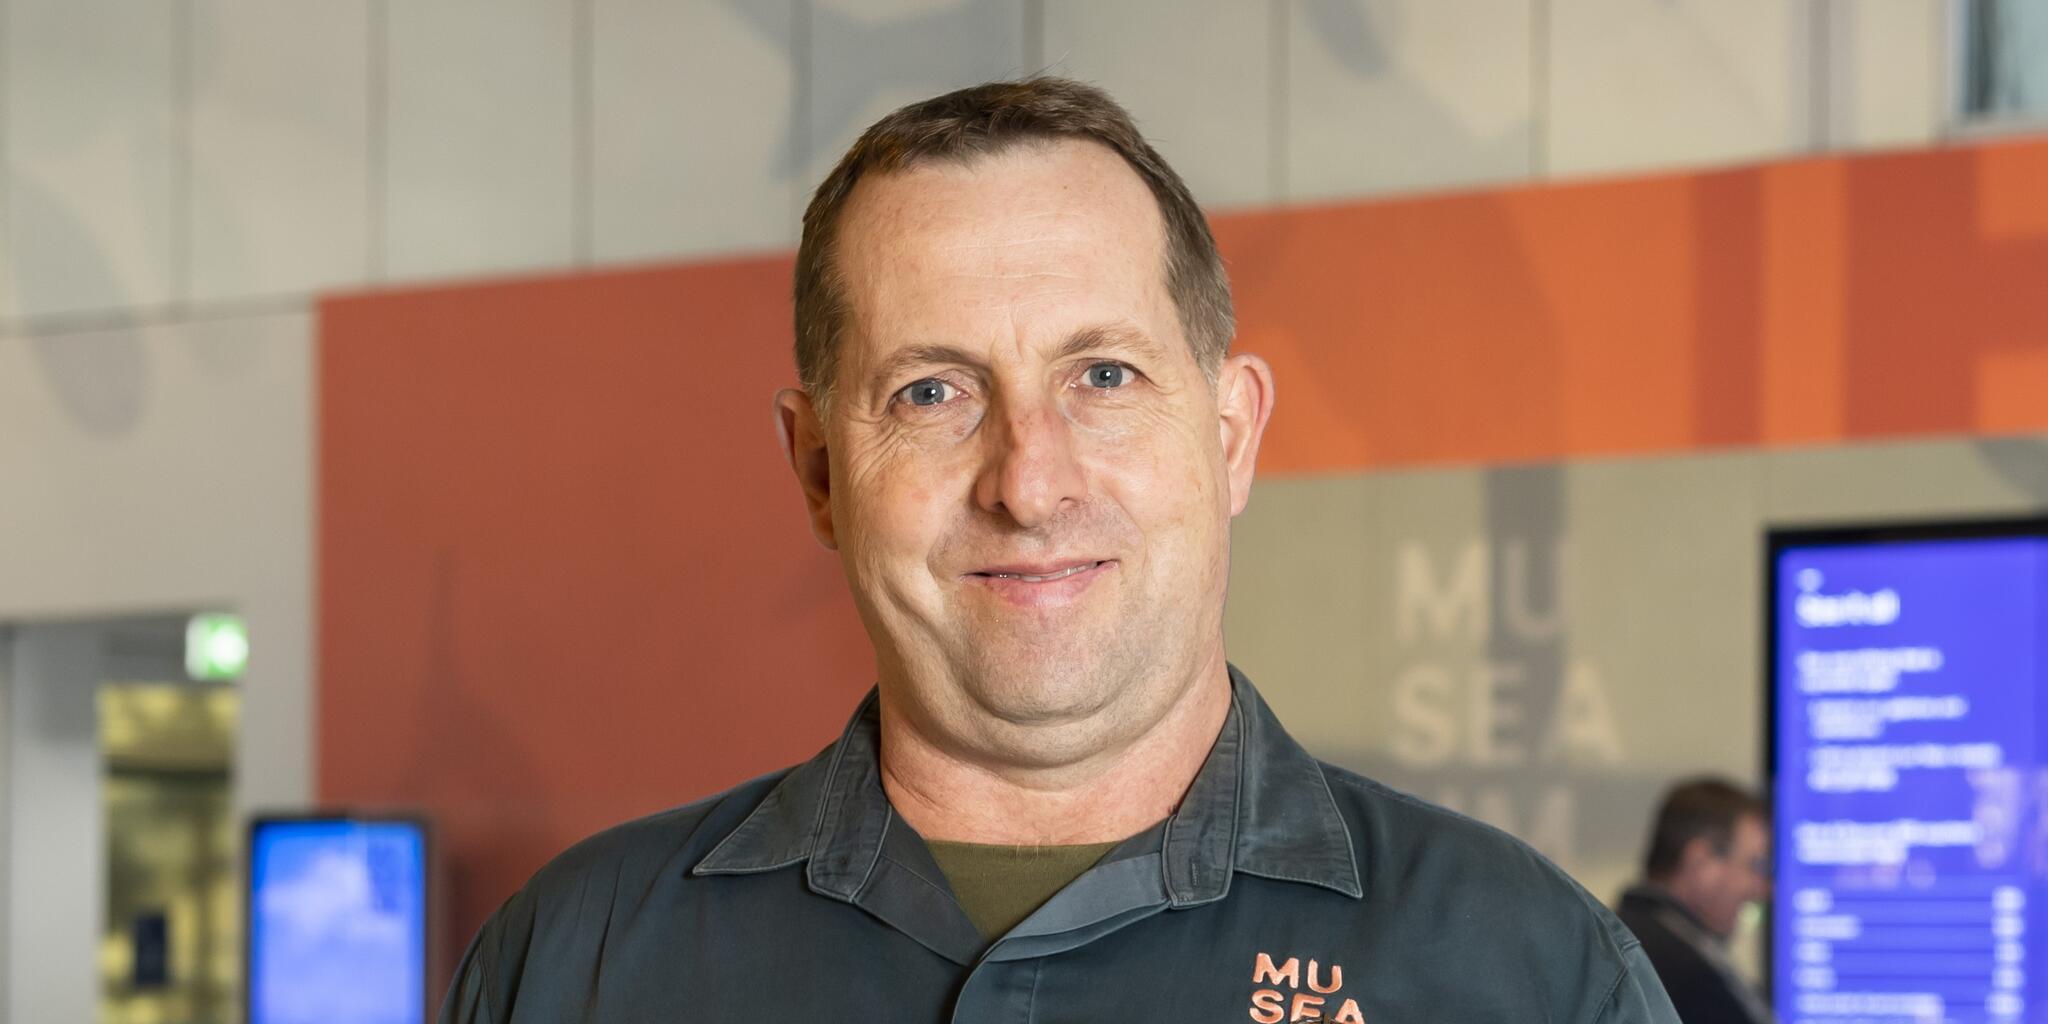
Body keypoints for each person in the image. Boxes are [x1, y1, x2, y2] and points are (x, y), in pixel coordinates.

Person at [437, 77, 1680, 1023]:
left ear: (1232, 432)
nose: (1029, 482)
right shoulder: (573, 967)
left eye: (1102, 374)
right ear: (818, 469)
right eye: (932, 392)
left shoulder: (1528, 974)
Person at [1616, 779, 1775, 1024]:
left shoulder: (1634, 939)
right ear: (1701, 863)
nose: (1764, 889)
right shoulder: (1679, 969)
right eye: (1755, 866)